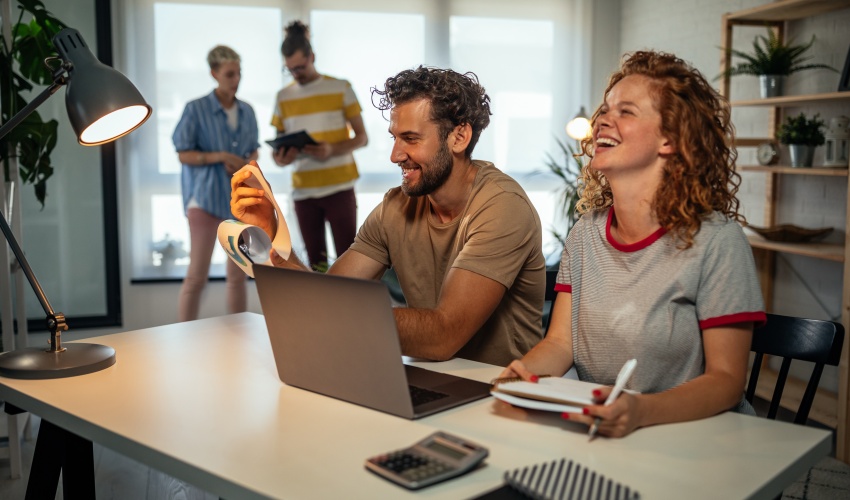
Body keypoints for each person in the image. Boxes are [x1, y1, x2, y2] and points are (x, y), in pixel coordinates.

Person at [500, 50, 766, 438]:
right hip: (606, 427)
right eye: (605, 109)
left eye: (626, 111)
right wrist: (526, 373)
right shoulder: (586, 233)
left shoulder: (718, 241)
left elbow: (726, 381)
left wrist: (640, 411)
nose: (603, 119)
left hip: (697, 438)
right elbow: (560, 343)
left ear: (669, 141)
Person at [232, 66, 545, 366]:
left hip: (501, 393)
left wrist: (335, 312)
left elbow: (443, 335)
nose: (395, 155)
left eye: (410, 139)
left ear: (459, 138)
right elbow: (327, 296)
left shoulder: (502, 207)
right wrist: (268, 234)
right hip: (432, 379)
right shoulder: (396, 207)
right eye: (394, 137)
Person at [271, 21, 368, 270]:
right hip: (304, 193)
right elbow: (278, 155)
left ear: (312, 56)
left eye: (300, 67)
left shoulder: (340, 87)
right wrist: (283, 157)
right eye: (290, 69)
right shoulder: (283, 97)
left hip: (340, 188)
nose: (296, 74)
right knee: (316, 265)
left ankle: (350, 310)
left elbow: (362, 137)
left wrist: (331, 150)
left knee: (349, 263)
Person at [172, 45, 259, 322]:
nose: (236, 80)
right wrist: (220, 156)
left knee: (238, 275)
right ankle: (184, 335)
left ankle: (239, 335)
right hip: (205, 199)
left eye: (239, 73)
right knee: (197, 275)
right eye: (230, 74)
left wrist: (247, 161)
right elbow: (183, 153)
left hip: (239, 201)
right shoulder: (195, 109)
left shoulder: (247, 111)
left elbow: (254, 150)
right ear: (214, 73)